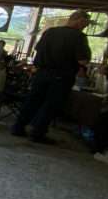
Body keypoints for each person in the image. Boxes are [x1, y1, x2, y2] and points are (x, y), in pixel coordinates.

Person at [11, 10, 91, 144]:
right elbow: (83, 60)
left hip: (41, 73)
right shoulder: (79, 37)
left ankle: (18, 127)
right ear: (79, 20)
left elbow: (38, 49)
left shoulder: (50, 32)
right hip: (61, 76)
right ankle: (37, 133)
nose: (85, 27)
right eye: (85, 24)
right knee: (51, 105)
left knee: (32, 101)